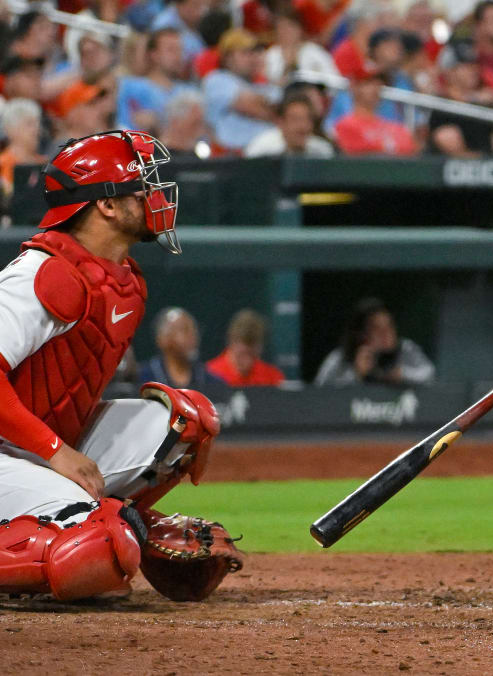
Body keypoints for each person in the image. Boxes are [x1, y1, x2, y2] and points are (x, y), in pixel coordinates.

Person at [0, 130, 242, 601]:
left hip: (33, 447)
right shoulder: (41, 274)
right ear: (106, 206)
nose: (154, 198)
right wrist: (54, 451)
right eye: (140, 188)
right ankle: (95, 530)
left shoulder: (123, 279)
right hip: (13, 449)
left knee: (186, 419)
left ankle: (113, 523)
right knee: (96, 549)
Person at [314, 297, 435, 387]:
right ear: (362, 334)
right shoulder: (340, 356)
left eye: (389, 326)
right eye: (377, 329)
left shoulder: (406, 349)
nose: (386, 334)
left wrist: (401, 375)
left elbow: (429, 375)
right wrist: (356, 375)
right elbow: (320, 391)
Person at [137, 307, 222, 392]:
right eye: (185, 330)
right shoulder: (143, 378)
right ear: (163, 339)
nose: (192, 336)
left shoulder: (210, 381)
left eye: (194, 330)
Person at [244, 88, 336, 158]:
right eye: (295, 119)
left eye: (307, 119)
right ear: (280, 122)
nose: (302, 126)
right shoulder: (261, 150)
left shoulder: (322, 151)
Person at [206, 309, 285, 387]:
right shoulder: (210, 375)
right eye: (242, 354)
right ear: (231, 343)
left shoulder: (272, 377)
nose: (247, 361)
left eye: (252, 355)